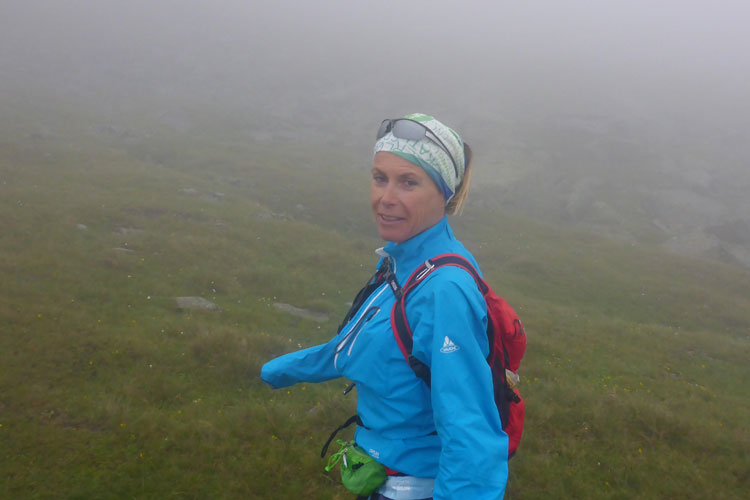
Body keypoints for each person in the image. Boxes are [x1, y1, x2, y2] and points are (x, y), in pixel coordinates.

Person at [261, 113, 508, 499]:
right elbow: (362, 344)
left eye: (409, 182)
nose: (386, 198)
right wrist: (288, 369)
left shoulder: (444, 289)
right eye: (380, 178)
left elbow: (470, 430)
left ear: (444, 193)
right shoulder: (401, 261)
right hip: (381, 473)